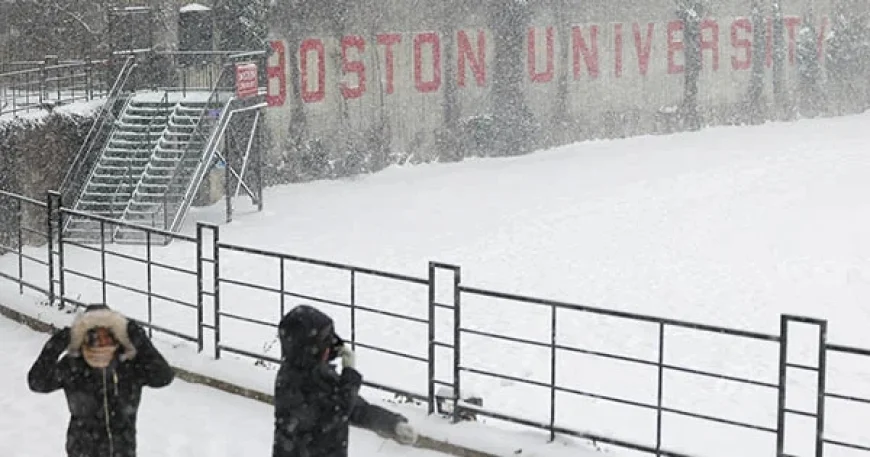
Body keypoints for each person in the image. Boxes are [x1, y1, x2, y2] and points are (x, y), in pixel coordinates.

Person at [27, 304, 175, 457]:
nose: (102, 340)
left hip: (123, 451)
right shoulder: (73, 364)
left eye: (107, 334)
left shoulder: (129, 364)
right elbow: (38, 382)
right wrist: (56, 344)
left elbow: (163, 377)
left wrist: (140, 340)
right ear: (84, 336)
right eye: (95, 335)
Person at [272, 304, 418, 457]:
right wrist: (349, 375)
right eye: (324, 341)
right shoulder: (292, 382)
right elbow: (334, 414)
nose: (329, 346)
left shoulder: (320, 373)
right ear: (307, 348)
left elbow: (356, 408)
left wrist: (392, 423)